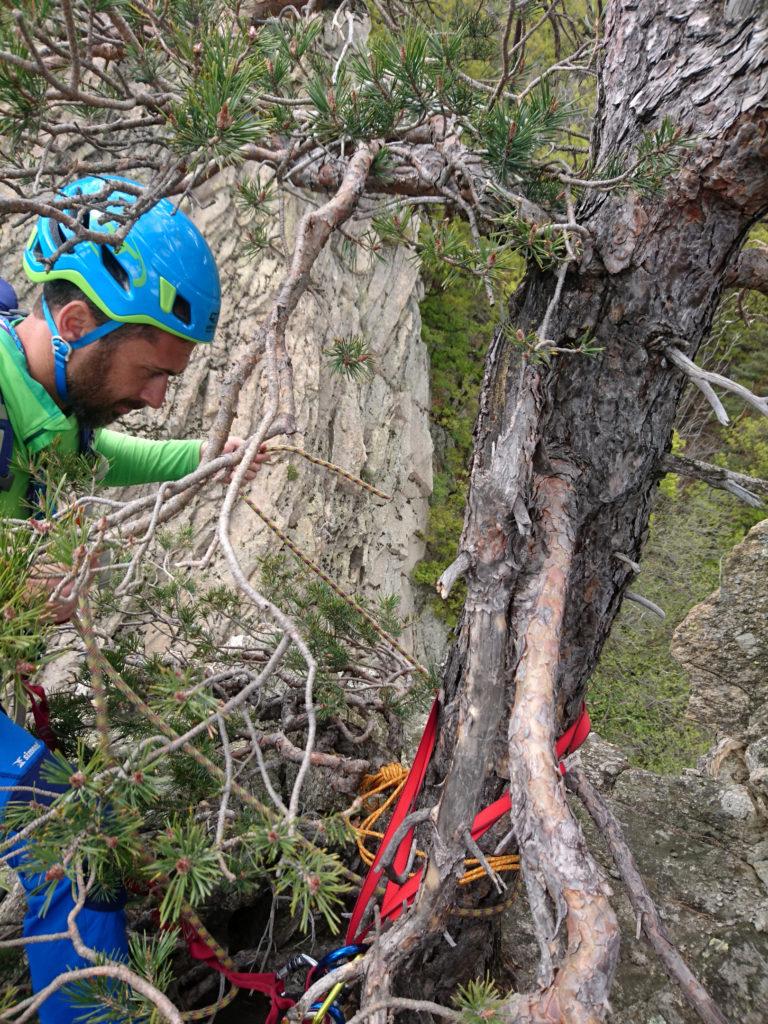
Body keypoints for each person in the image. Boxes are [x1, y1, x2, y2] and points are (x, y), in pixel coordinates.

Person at [0, 176, 262, 1023]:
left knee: (86, 801)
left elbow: (96, 455)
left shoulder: (41, 404)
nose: (158, 396)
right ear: (77, 324)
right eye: (152, 371)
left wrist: (206, 457)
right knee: (74, 834)